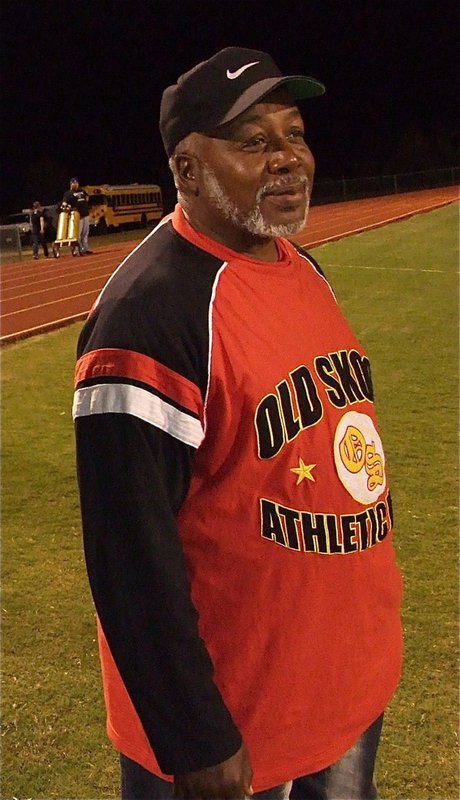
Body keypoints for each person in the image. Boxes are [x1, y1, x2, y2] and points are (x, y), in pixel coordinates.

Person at [73, 47, 403, 800]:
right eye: (254, 141)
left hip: (343, 686)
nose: (288, 158)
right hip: (240, 733)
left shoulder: (298, 264)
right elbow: (128, 556)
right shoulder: (150, 313)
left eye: (294, 133)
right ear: (187, 171)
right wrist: (196, 736)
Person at [63, 177, 93, 254]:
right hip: (77, 216)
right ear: (71, 184)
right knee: (77, 234)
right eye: (74, 183)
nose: (76, 184)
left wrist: (85, 202)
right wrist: (68, 208)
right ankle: (76, 249)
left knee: (85, 233)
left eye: (76, 183)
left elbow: (87, 196)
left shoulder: (82, 191)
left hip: (85, 214)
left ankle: (85, 248)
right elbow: (64, 203)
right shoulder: (68, 193)